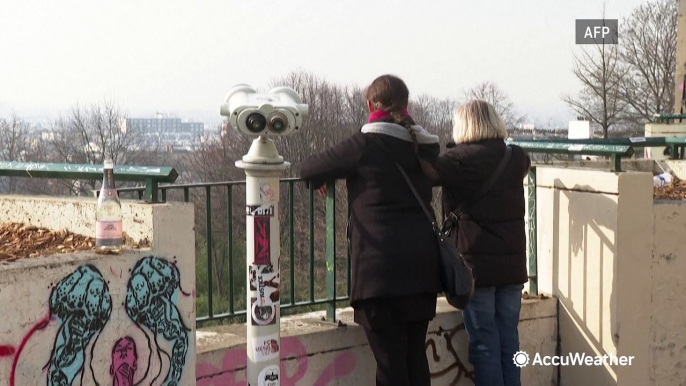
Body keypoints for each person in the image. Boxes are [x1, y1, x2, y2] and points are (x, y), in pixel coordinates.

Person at [299, 74, 441, 386]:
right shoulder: (425, 147)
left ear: (369, 105)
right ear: (406, 105)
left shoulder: (364, 144)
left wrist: (328, 177)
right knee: (415, 358)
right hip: (422, 269)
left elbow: (307, 169)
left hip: (379, 272)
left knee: (390, 366)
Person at [435, 100, 530, 386]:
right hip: (512, 266)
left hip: (475, 266)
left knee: (485, 344)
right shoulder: (516, 157)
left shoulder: (456, 161)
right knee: (509, 342)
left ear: (463, 125)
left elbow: (425, 172)